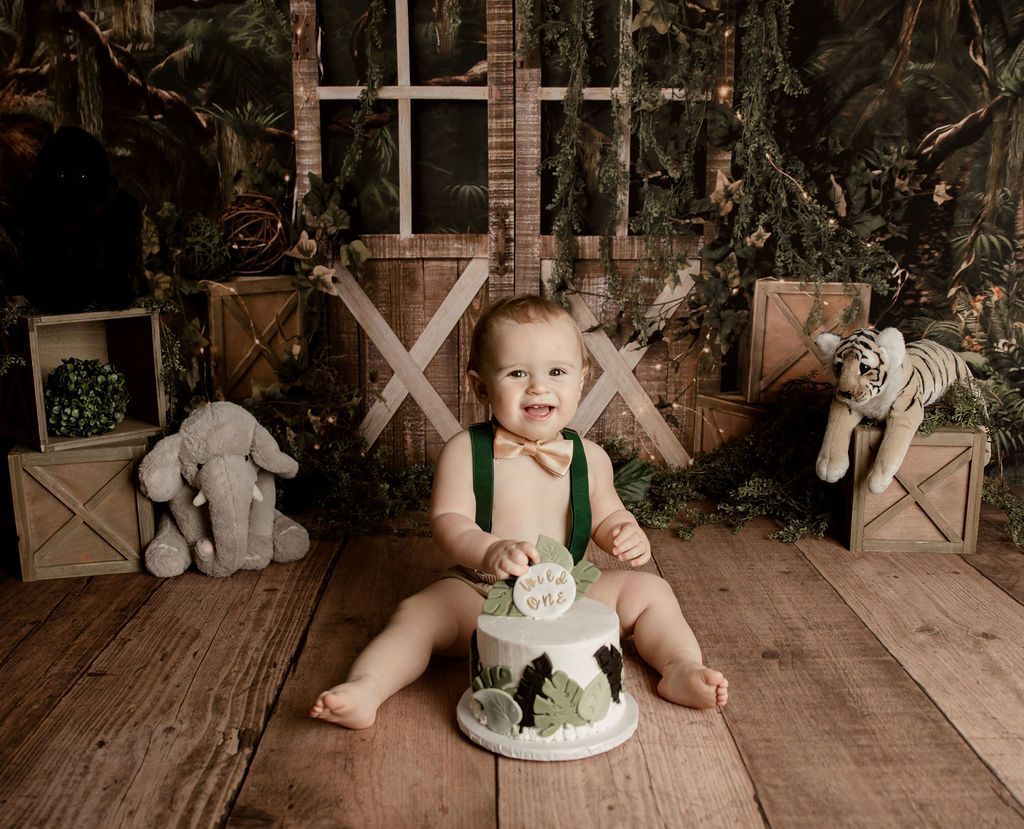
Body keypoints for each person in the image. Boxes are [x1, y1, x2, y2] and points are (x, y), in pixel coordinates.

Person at [310, 295, 728, 728]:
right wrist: (489, 550)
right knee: (417, 615)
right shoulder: (466, 452)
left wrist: (625, 530)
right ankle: (367, 687)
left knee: (652, 592)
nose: (538, 387)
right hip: (480, 591)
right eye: (517, 373)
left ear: (581, 381)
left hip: (568, 591)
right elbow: (448, 521)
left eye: (556, 372)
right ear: (480, 386)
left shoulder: (591, 457)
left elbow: (606, 517)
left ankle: (680, 667)